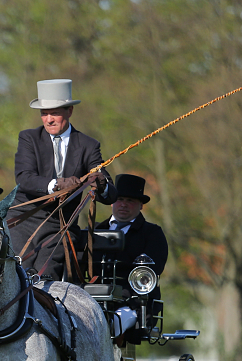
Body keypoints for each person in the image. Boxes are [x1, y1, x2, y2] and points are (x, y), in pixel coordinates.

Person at [12, 79, 117, 281]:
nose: (48, 119)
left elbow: (111, 194)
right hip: (24, 220)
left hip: (59, 226)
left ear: (69, 111)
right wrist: (56, 184)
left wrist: (101, 184)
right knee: (17, 275)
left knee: (44, 278)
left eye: (55, 113)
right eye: (44, 113)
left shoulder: (88, 145)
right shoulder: (28, 138)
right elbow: (24, 178)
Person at [94, 173, 168, 337]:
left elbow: (149, 274)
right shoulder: (96, 230)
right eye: (119, 199)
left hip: (134, 304)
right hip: (94, 298)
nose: (123, 205)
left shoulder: (152, 234)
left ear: (141, 205)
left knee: (113, 325)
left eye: (130, 201)